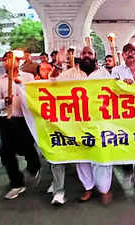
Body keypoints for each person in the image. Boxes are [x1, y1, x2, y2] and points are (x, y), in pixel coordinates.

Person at [47, 46, 113, 205]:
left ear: (95, 56)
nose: (86, 56)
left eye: (90, 53)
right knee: (82, 158)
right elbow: (52, 83)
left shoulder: (103, 74)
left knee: (102, 156)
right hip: (77, 123)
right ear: (79, 56)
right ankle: (88, 188)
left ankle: (104, 189)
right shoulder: (70, 74)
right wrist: (57, 65)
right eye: (84, 53)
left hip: (99, 123)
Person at [0, 51, 42, 200]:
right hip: (5, 120)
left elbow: (35, 96)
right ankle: (16, 183)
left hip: (24, 120)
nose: (9, 62)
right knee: (8, 153)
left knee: (27, 147)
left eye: (12, 59)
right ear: (3, 63)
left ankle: (34, 166)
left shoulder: (28, 77)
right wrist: (4, 101)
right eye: (6, 59)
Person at [111, 43, 135, 191]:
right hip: (124, 113)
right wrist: (121, 84)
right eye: (127, 52)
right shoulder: (116, 70)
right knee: (126, 142)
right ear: (123, 55)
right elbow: (111, 87)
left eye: (133, 51)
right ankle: (128, 172)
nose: (130, 54)